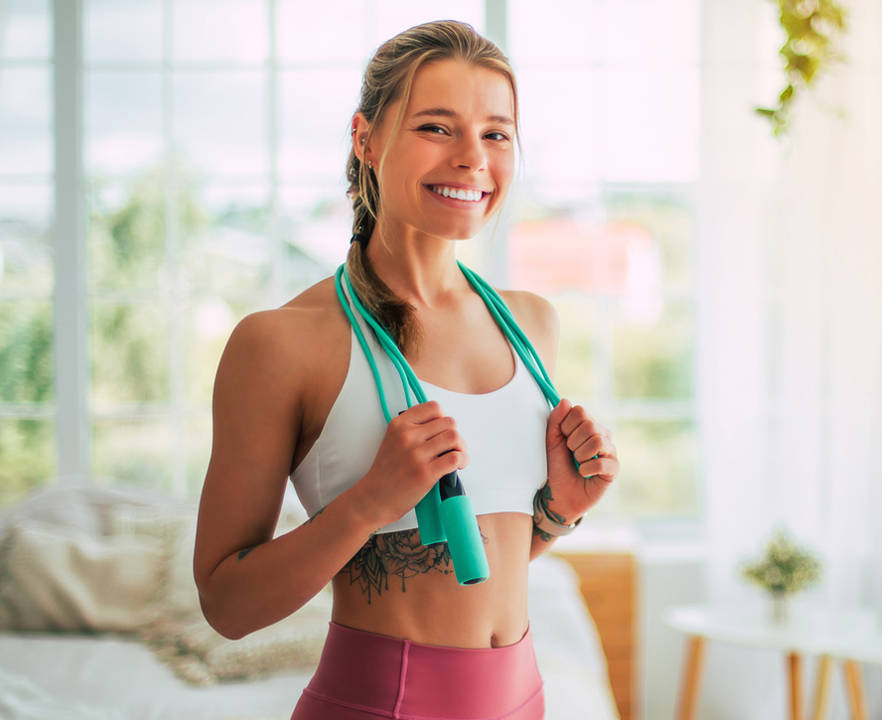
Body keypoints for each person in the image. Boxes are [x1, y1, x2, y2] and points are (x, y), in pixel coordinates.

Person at [192, 20, 620, 720]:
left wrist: (558, 511)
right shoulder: (281, 345)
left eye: (496, 134)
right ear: (366, 139)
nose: (471, 158)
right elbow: (226, 606)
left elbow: (460, 570)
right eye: (435, 127)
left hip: (523, 700)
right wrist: (370, 499)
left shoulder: (533, 324)